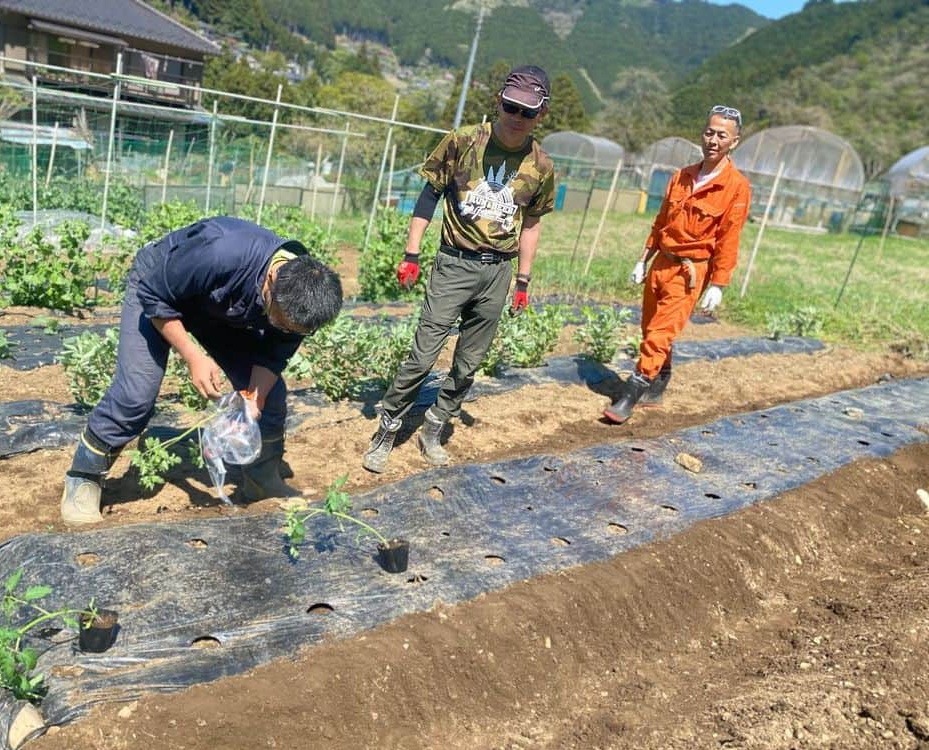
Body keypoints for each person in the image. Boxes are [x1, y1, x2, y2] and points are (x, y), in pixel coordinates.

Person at [61, 216, 343, 526]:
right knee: (135, 396)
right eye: (279, 322)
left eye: (290, 328)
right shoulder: (223, 252)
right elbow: (155, 294)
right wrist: (193, 356)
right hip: (159, 287)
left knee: (271, 394)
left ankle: (262, 479)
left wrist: (254, 399)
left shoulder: (301, 302)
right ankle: (84, 476)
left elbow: (275, 353)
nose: (282, 329)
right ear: (272, 278)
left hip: (215, 308)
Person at [362, 65, 556, 473]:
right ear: (498, 103)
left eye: (526, 112)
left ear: (541, 115)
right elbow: (429, 195)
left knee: (469, 363)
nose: (516, 118)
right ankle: (389, 425)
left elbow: (532, 224)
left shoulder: (541, 165)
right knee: (423, 355)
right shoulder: (464, 142)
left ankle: (435, 425)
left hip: (498, 271)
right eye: (510, 107)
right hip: (454, 263)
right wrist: (412, 253)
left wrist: (523, 279)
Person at [603, 104, 751, 424]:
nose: (713, 139)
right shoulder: (681, 177)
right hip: (661, 264)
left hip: (689, 271)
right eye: (709, 132)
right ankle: (660, 378)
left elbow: (729, 238)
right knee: (650, 329)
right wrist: (643, 259)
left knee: (659, 333)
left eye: (722, 135)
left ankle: (632, 392)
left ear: (734, 141)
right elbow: (660, 223)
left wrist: (718, 284)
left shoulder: (736, 187)